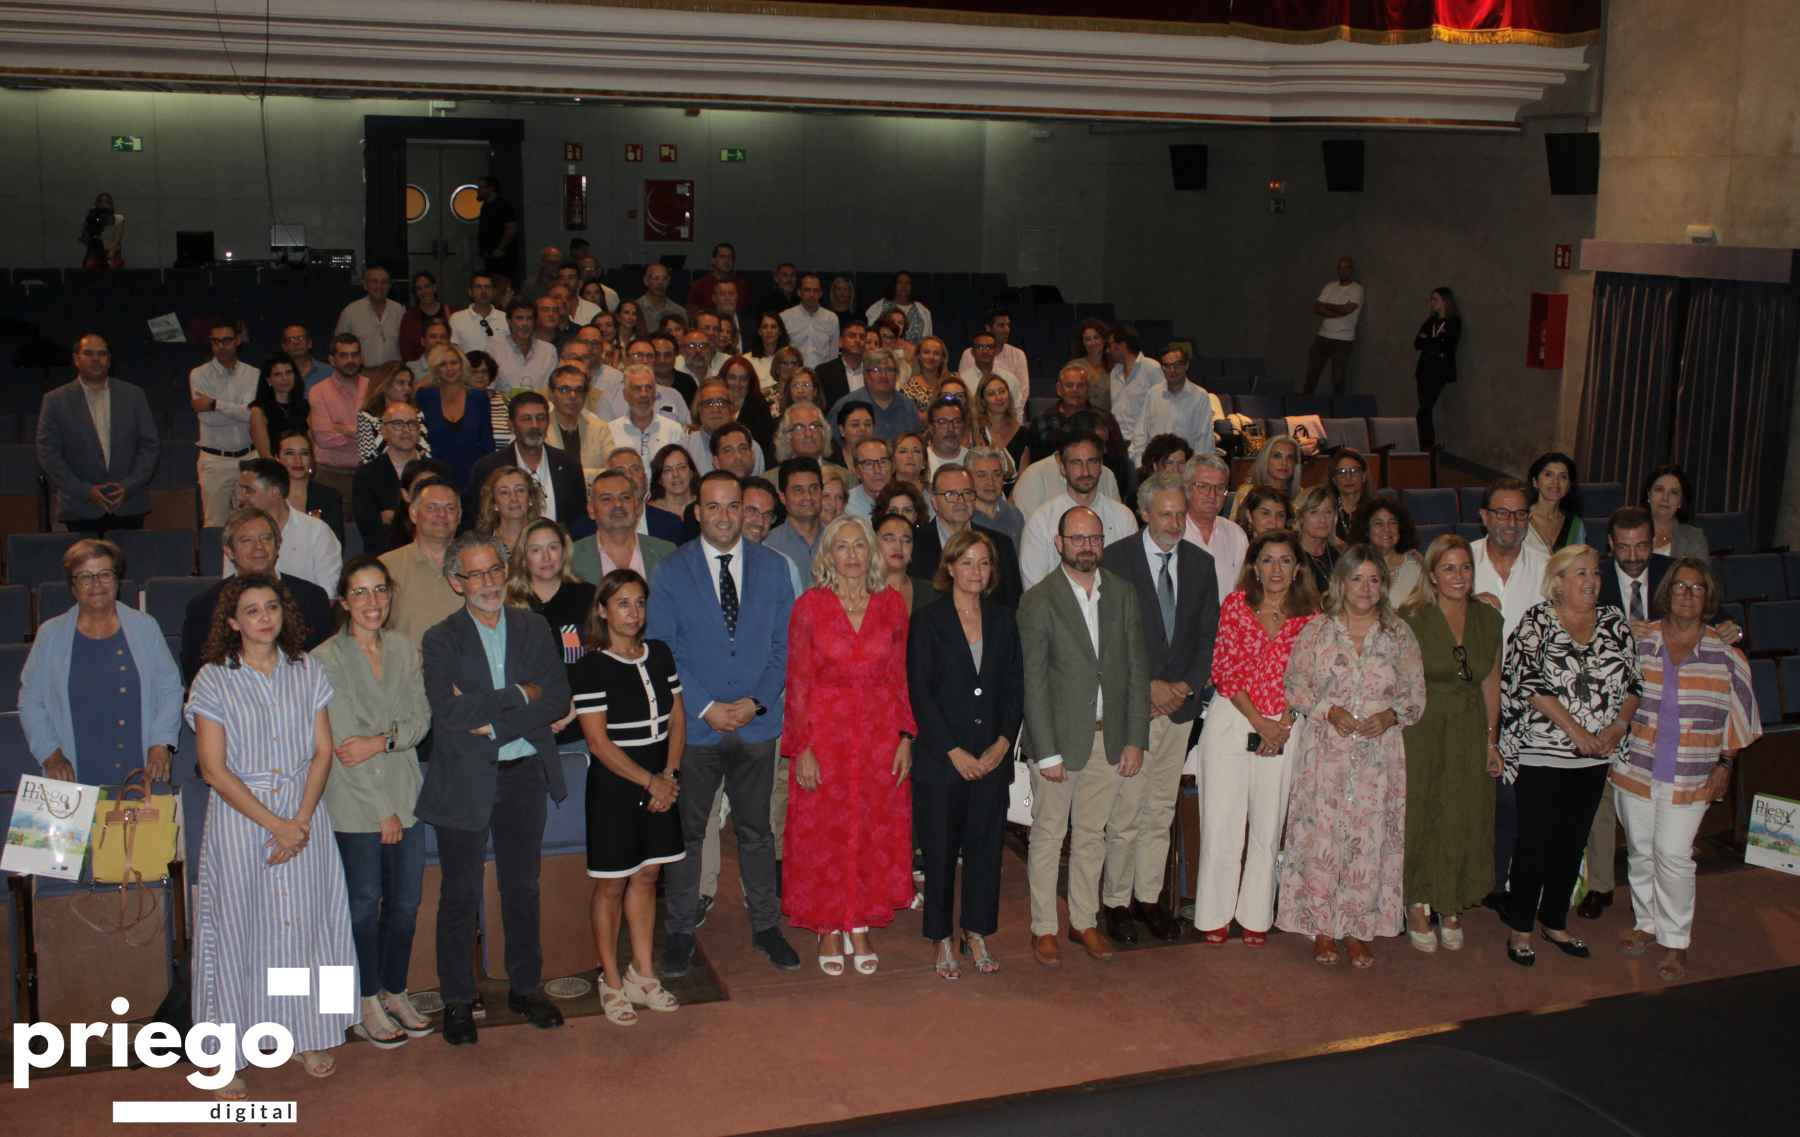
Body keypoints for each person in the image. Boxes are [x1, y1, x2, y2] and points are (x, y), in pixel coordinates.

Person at [185, 574, 357, 1095]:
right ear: (233, 622)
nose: (264, 617)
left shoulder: (307, 671)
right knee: (238, 934)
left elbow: (323, 751)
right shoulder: (214, 679)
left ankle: (309, 1033)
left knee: (307, 928)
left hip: (305, 815)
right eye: (251, 610)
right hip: (243, 821)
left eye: (271, 607)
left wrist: (300, 819)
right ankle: (223, 1054)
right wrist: (277, 824)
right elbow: (213, 770)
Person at [417, 533, 573, 1044]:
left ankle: (526, 988)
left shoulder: (533, 626)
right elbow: (450, 712)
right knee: (459, 896)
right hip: (463, 781)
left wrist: (498, 720)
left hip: (524, 774)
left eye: (494, 571)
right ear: (455, 582)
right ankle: (458, 1001)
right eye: (475, 574)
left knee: (522, 889)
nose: (487, 583)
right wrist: (516, 695)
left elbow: (555, 700)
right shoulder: (440, 638)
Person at [649, 471, 802, 976]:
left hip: (757, 725)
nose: (723, 516)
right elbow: (662, 649)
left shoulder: (775, 570)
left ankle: (765, 925)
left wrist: (756, 701)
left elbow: (785, 647)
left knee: (758, 832)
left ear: (746, 510)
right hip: (697, 727)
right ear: (697, 511)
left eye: (733, 506)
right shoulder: (671, 571)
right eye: (712, 506)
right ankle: (678, 932)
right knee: (690, 833)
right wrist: (705, 706)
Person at [779, 515, 916, 974]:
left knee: (874, 829)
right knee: (825, 830)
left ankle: (859, 920)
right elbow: (797, 682)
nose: (853, 555)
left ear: (871, 553)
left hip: (879, 736)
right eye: (843, 547)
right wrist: (804, 748)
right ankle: (828, 925)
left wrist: (903, 737)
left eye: (860, 546)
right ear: (828, 555)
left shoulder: (891, 605)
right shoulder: (809, 607)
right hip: (826, 736)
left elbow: (899, 677)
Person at [1277, 548, 1426, 968]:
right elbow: (1295, 686)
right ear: (1340, 584)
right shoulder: (1318, 632)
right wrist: (1329, 711)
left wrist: (1390, 715)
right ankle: (1323, 928)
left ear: (1384, 585)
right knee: (1323, 837)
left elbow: (1415, 697)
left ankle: (1358, 930)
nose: (1366, 588)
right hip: (1326, 752)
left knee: (1368, 840)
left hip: (1378, 757)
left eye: (1374, 580)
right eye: (1357, 579)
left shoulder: (1399, 636)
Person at [1613, 558, 1759, 981]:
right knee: (1640, 850)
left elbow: (1741, 717)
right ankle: (1646, 923)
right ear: (1666, 593)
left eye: (1697, 588)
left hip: (1693, 773)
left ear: (1708, 597)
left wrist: (1726, 763)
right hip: (1635, 767)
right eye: (1680, 586)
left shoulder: (1725, 654)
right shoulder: (1640, 642)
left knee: (1673, 855)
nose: (1688, 594)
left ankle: (1675, 941)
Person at [1018, 506, 1150, 967]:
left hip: (1108, 738)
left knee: (1093, 833)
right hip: (1058, 742)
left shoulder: (1124, 594)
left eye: (1094, 537)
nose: (1087, 546)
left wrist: (1135, 737)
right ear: (1059, 544)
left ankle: (1083, 920)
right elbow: (1032, 682)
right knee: (1050, 835)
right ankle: (1044, 928)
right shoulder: (1038, 600)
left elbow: (1136, 670)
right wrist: (1046, 750)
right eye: (1077, 538)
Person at [1498, 544, 1641, 967]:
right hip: (1544, 753)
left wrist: (1614, 729)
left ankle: (1555, 920)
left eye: (1595, 573)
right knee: (1535, 843)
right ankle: (1521, 925)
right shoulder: (1537, 620)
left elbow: (1635, 683)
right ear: (1558, 581)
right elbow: (1527, 683)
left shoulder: (1615, 622)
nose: (1592, 581)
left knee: (1571, 842)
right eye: (1581, 573)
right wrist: (1576, 731)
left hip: (1597, 755)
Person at [312, 556, 435, 1048]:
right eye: (360, 593)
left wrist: (382, 740)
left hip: (407, 795)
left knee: (406, 904)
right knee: (363, 906)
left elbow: (421, 721)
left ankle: (394, 989)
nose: (372, 602)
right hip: (356, 801)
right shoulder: (324, 659)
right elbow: (343, 744)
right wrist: (380, 806)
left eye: (380, 590)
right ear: (344, 601)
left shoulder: (406, 650)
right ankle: (364, 1000)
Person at [1099, 474, 1218, 943]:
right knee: (1126, 808)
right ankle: (1116, 903)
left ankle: (1149, 898)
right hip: (1135, 706)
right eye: (1164, 513)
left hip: (1180, 707)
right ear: (1144, 512)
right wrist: (1147, 686)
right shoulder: (1116, 560)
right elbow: (1108, 637)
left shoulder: (1201, 564)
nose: (1174, 522)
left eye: (1179, 514)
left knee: (1160, 807)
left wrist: (1186, 686)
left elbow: (1208, 636)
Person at [563, 569, 686, 1022]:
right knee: (612, 882)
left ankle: (643, 974)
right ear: (602, 610)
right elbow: (598, 742)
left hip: (662, 778)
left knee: (649, 877)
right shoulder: (591, 665)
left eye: (639, 603)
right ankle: (611, 980)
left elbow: (677, 716)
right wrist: (649, 782)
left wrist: (669, 775)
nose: (633, 613)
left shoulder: (661, 653)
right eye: (622, 603)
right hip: (617, 785)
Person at [1194, 530, 1321, 945]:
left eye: (1285, 561)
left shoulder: (1312, 617)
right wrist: (1258, 722)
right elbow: (1224, 670)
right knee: (1221, 821)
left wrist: (1281, 724)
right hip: (1233, 718)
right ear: (1253, 567)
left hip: (1285, 725)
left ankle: (1255, 916)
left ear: (1298, 567)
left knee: (1268, 824)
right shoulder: (1235, 605)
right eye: (1267, 560)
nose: (1276, 569)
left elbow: (1309, 678)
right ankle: (1214, 913)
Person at [908, 528, 1022, 979]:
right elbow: (920, 692)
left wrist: (1002, 743)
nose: (976, 571)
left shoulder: (1003, 619)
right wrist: (952, 750)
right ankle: (940, 936)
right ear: (950, 567)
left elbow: (1014, 687)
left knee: (985, 851)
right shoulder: (928, 620)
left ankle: (976, 931)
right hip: (942, 760)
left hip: (991, 759)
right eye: (967, 562)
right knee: (939, 852)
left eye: (984, 563)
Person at [1398, 534, 1502, 952]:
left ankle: (1452, 898)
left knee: (1463, 809)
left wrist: (1490, 740)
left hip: (1469, 726)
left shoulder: (1488, 618)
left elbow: (1491, 682)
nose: (1459, 577)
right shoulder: (1411, 617)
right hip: (1422, 728)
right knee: (1423, 809)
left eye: (1465, 568)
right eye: (1449, 569)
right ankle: (1418, 900)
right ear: (1432, 575)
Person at [21, 539, 181, 787]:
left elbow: (170, 690)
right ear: (73, 586)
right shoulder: (50, 634)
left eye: (105, 574)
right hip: (73, 769)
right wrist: (50, 755)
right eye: (85, 576)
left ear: (117, 580)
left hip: (139, 768)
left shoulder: (145, 626)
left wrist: (161, 744)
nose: (96, 584)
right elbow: (30, 700)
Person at [1579, 506, 1673, 920]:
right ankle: (1601, 886)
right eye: (1624, 546)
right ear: (1611, 545)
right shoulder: (1591, 578)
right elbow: (1570, 624)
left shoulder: (1675, 574)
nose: (1633, 555)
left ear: (1653, 542)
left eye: (1641, 545)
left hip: (1664, 704)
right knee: (1600, 797)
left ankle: (1655, 884)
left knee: (1650, 799)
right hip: (1604, 701)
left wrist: (1733, 630)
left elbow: (1719, 619)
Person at [1471, 477, 1550, 907]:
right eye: (1502, 512)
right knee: (1473, 796)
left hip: (1528, 704)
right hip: (1470, 702)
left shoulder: (1544, 565)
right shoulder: (1461, 560)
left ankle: (1503, 885)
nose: (1511, 522)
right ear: (1484, 516)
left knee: (1515, 800)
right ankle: (1472, 880)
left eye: (1520, 513)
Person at [182, 507, 334, 682]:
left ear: (278, 545)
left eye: (266, 538)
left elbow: (325, 664)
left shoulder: (312, 597)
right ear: (229, 552)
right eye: (247, 541)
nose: (259, 547)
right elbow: (196, 673)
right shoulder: (205, 606)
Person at [36, 332, 158, 533]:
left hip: (127, 503)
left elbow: (150, 446)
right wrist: (85, 491)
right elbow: (48, 453)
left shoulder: (134, 395)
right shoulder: (55, 400)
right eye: (88, 353)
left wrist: (129, 486)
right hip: (80, 506)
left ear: (109, 360)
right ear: (76, 359)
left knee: (130, 564)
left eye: (102, 354)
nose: (95, 359)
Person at [1018, 434, 1139, 588]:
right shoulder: (1041, 521)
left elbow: (1132, 582)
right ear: (1062, 468)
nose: (1085, 471)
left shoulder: (1123, 517)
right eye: (1076, 463)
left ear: (1101, 466)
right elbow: (1033, 591)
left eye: (1092, 462)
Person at [464, 392, 589, 536]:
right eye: (526, 419)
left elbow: (579, 520)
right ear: (510, 424)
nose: (535, 425)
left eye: (541, 418)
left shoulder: (568, 465)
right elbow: (475, 520)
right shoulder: (488, 467)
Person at [225, 459, 342, 592]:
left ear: (274, 492)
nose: (241, 497)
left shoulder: (317, 533)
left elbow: (327, 595)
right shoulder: (236, 533)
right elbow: (229, 589)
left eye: (248, 490)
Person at [190, 318, 259, 526]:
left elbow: (250, 415)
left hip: (249, 456)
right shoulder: (198, 374)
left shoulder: (253, 374)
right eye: (216, 341)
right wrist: (236, 408)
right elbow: (207, 419)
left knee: (253, 521)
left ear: (237, 341)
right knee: (215, 524)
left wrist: (214, 403)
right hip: (215, 460)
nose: (221, 346)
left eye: (227, 340)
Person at [379, 479, 466, 644]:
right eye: (432, 507)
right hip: (407, 668)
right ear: (413, 513)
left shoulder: (478, 566)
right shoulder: (386, 567)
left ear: (459, 516)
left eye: (450, 508)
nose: (441, 514)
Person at [572, 467, 677, 585]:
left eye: (625, 497)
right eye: (606, 499)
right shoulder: (571, 558)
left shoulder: (666, 552)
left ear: (637, 507)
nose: (618, 504)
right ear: (591, 510)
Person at [416, 344, 496, 493]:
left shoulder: (478, 398)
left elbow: (487, 442)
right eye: (443, 364)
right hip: (435, 478)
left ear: (462, 365)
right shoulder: (425, 397)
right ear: (435, 369)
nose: (450, 368)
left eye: (454, 363)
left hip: (474, 478)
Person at [352, 403, 427, 557]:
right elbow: (371, 531)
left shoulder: (435, 471)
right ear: (383, 431)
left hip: (431, 556)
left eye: (412, 424)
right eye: (398, 424)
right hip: (385, 557)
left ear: (419, 431)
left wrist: (393, 516)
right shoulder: (366, 475)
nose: (406, 430)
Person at [1130, 343, 1213, 466]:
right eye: (1167, 366)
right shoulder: (1153, 394)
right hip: (1157, 467)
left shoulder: (1200, 397)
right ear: (1162, 367)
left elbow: (1203, 441)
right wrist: (1140, 466)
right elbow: (1141, 434)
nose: (1172, 370)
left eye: (1177, 365)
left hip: (1185, 468)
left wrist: (1195, 472)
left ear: (1186, 365)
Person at [1182, 453, 1249, 600]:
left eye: (1220, 488)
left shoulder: (1235, 533)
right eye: (1203, 486)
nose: (1212, 495)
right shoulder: (1174, 532)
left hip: (1229, 620)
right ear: (1186, 489)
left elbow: (1244, 588)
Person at [545, 363, 619, 488]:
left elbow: (611, 473)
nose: (573, 396)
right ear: (551, 394)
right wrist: (591, 474)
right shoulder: (541, 428)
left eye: (579, 390)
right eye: (564, 389)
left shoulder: (599, 428)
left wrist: (566, 474)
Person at [1303, 255, 1363, 396]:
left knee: (1338, 379)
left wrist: (1327, 307)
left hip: (1343, 340)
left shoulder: (1357, 289)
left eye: (1346, 267)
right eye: (1340, 268)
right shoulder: (1329, 286)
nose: (1342, 271)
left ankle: (1338, 414)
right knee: (1312, 375)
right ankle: (1303, 408)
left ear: (1351, 270)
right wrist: (1337, 310)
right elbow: (1317, 308)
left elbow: (1346, 310)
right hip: (1323, 337)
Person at [275, 429, 346, 544]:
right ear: (277, 459)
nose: (297, 460)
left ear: (312, 458)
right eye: (289, 453)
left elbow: (336, 543)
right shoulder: (269, 496)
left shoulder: (329, 497)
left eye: (304, 453)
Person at [1351, 495, 1424, 604]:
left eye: (1392, 523)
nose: (1386, 529)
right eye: (1378, 523)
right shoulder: (1354, 567)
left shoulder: (1416, 567)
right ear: (1366, 530)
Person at [1414, 287, 1461, 450]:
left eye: (1435, 299)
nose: (1431, 303)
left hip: (1439, 372)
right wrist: (1434, 341)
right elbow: (1417, 343)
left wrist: (1431, 340)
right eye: (1431, 299)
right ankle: (1425, 445)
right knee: (1424, 410)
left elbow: (1447, 345)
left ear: (1445, 302)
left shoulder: (1453, 322)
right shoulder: (1431, 321)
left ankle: (1426, 447)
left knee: (1424, 410)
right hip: (1424, 369)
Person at [765, 457, 825, 583]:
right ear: (782, 497)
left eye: (814, 488)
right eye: (798, 490)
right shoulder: (769, 546)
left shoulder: (838, 539)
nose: (808, 497)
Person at [336, 265, 405, 367]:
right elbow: (338, 346)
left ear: (389, 286)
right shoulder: (350, 312)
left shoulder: (399, 310)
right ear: (365, 285)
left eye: (384, 282)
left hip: (393, 375)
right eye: (374, 281)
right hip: (362, 375)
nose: (379, 286)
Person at [1106, 326, 1162, 448]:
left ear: (1121, 345)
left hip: (1144, 443)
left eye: (1110, 345)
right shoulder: (1114, 372)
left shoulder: (1151, 367)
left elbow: (1162, 407)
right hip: (1118, 443)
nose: (1108, 350)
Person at [470, 466, 542, 562]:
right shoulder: (479, 545)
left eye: (520, 490)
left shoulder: (548, 538)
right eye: (504, 492)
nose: (514, 499)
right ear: (494, 503)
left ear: (530, 499)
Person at [1642, 464, 1711, 559]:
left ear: (1681, 501)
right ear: (1649, 495)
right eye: (1659, 490)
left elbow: (1701, 573)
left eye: (1673, 492)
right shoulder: (1630, 531)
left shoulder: (1694, 538)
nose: (1665, 498)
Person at [250, 356, 311, 460]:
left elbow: (311, 444)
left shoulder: (305, 406)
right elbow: (265, 455)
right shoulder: (259, 411)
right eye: (278, 374)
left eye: (288, 372)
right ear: (269, 380)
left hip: (302, 467)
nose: (285, 378)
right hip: (274, 471)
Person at [1524, 451, 1586, 554]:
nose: (1555, 482)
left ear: (1569, 485)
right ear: (1535, 482)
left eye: (1563, 477)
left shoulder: (1575, 525)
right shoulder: (1519, 517)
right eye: (1548, 475)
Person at [967, 447, 1025, 546]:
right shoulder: (963, 517)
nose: (990, 482)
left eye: (997, 474)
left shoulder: (1014, 515)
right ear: (968, 479)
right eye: (982, 475)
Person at [875, 511, 929, 614]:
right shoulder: (860, 592)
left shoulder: (930, 593)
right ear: (874, 543)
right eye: (889, 539)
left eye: (906, 541)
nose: (898, 547)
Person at [1236, 434, 1303, 513]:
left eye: (1290, 457)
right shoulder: (1247, 492)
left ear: (1295, 463)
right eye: (1277, 456)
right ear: (1265, 460)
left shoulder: (1301, 495)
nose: (1284, 463)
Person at [399, 270, 456, 363]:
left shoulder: (452, 313)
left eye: (427, 286)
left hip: (448, 366)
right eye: (419, 288)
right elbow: (406, 351)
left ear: (434, 288)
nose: (424, 291)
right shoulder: (409, 318)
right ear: (416, 293)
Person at [475, 175, 520, 289]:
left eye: (481, 187)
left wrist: (500, 249)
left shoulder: (503, 206)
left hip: (502, 258)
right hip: (489, 257)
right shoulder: (485, 206)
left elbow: (511, 229)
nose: (478, 190)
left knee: (500, 288)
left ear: (491, 188)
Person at [449, 272, 508, 356]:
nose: (483, 291)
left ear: (494, 291)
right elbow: (452, 350)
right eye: (478, 287)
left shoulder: (505, 318)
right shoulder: (456, 318)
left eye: (487, 287)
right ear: (470, 292)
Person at [1293, 484, 1339, 593]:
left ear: (1335, 517)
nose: (1322, 519)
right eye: (1314, 512)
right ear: (1301, 517)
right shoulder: (1292, 557)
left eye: (1328, 512)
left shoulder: (1340, 554)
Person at [865, 270, 933, 342]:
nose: (904, 286)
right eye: (899, 282)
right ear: (894, 285)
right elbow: (871, 334)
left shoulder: (922, 311)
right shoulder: (879, 307)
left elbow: (927, 339)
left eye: (907, 283)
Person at [647, 442, 697, 534]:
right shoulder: (647, 514)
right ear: (659, 479)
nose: (676, 474)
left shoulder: (706, 505)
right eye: (667, 470)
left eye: (681, 467)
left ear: (691, 473)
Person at [1326, 446, 1369, 549]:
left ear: (1363, 476)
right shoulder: (1326, 511)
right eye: (1341, 472)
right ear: (1334, 480)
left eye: (1354, 471)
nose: (1348, 477)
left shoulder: (1375, 510)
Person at [685, 241, 744, 313]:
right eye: (722, 257)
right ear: (713, 260)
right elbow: (691, 311)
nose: (727, 261)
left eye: (730, 257)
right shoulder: (700, 285)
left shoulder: (741, 285)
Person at [1069, 318, 1113, 411]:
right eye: (1088, 339)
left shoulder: (1115, 368)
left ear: (1104, 340)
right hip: (1080, 419)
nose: (1092, 343)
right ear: (1083, 343)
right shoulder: (1074, 366)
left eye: (1096, 337)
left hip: (1107, 420)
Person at [79, 192, 124, 268]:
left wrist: (109, 258)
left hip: (113, 254)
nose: (103, 204)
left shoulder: (118, 219)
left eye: (107, 202)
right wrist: (89, 222)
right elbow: (85, 239)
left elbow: (116, 241)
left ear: (111, 205)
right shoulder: (92, 219)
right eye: (100, 202)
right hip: (94, 254)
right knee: (89, 266)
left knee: (112, 266)